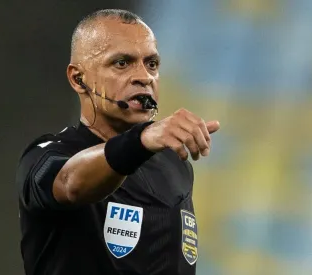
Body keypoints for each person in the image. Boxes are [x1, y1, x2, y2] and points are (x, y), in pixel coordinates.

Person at [16, 9, 220, 275]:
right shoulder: (48, 155)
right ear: (79, 79)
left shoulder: (174, 165)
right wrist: (141, 140)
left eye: (152, 64)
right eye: (122, 63)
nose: (144, 77)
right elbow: (70, 184)